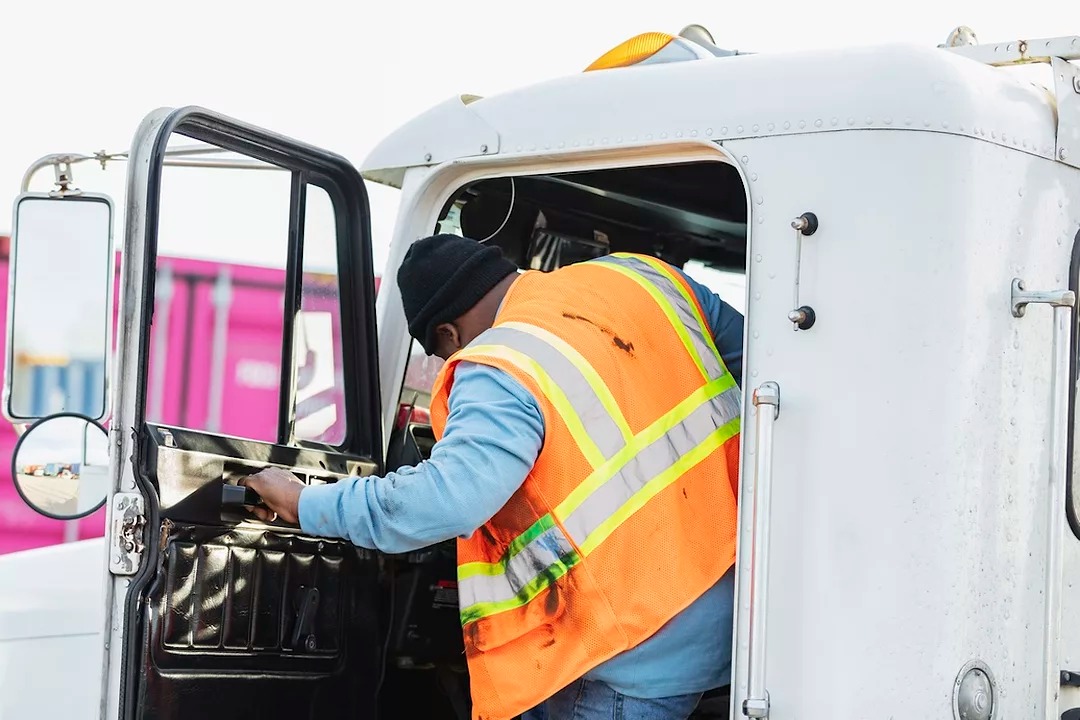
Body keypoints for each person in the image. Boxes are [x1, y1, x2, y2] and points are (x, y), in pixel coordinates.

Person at [242, 234, 744, 720]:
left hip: (622, 650)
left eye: (442, 357)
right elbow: (768, 364)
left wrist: (302, 502)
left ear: (448, 334)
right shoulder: (641, 277)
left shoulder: (503, 361)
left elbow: (447, 500)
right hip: (726, 619)